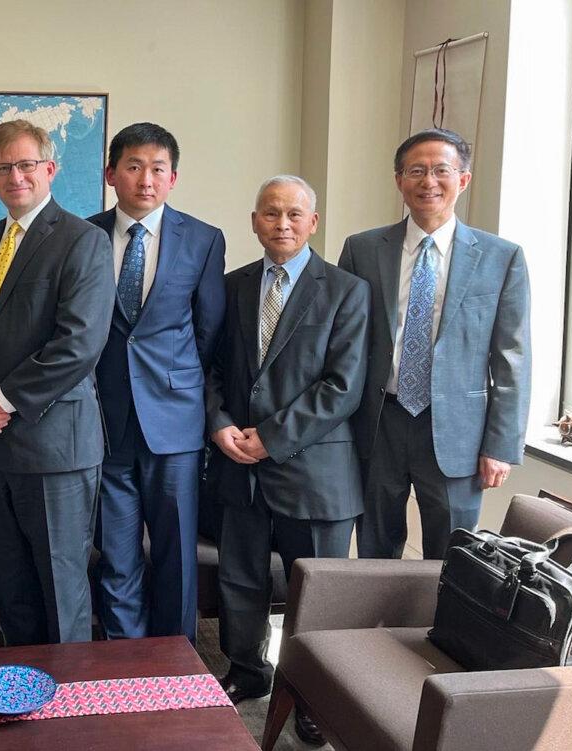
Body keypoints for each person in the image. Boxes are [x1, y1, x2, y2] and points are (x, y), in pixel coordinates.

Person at [206, 177, 367, 744]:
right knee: (240, 580)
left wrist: (271, 437)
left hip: (315, 468)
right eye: (271, 213)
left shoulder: (348, 290)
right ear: (254, 221)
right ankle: (247, 672)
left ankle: (312, 693)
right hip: (238, 464)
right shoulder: (231, 287)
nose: (282, 223)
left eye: (294, 214)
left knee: (316, 590)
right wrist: (220, 423)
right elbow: (214, 369)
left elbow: (342, 387)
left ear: (313, 222)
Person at [0, 119, 115, 646]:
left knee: (62, 591)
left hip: (55, 448)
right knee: (12, 588)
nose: (15, 175)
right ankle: (23, 697)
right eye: (3, 167)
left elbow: (79, 343)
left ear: (49, 169)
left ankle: (69, 716)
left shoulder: (83, 242)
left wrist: (6, 397)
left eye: (25, 165)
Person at [339, 128, 531, 560]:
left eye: (441, 170)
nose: (429, 181)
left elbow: (512, 358)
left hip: (457, 430)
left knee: (452, 555)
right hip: (378, 422)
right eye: (416, 171)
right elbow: (343, 343)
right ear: (399, 180)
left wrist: (500, 446)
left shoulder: (502, 258)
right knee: (374, 546)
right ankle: (375, 626)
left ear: (462, 179)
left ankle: (439, 629)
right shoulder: (363, 249)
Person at [89, 122, 225, 642]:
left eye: (158, 169)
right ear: (111, 174)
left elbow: (208, 331)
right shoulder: (83, 236)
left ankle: (177, 668)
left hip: (175, 424)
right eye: (133, 166)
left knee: (176, 557)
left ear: (173, 178)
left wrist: (182, 391)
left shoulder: (204, 239)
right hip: (104, 423)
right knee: (117, 558)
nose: (146, 179)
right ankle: (126, 670)